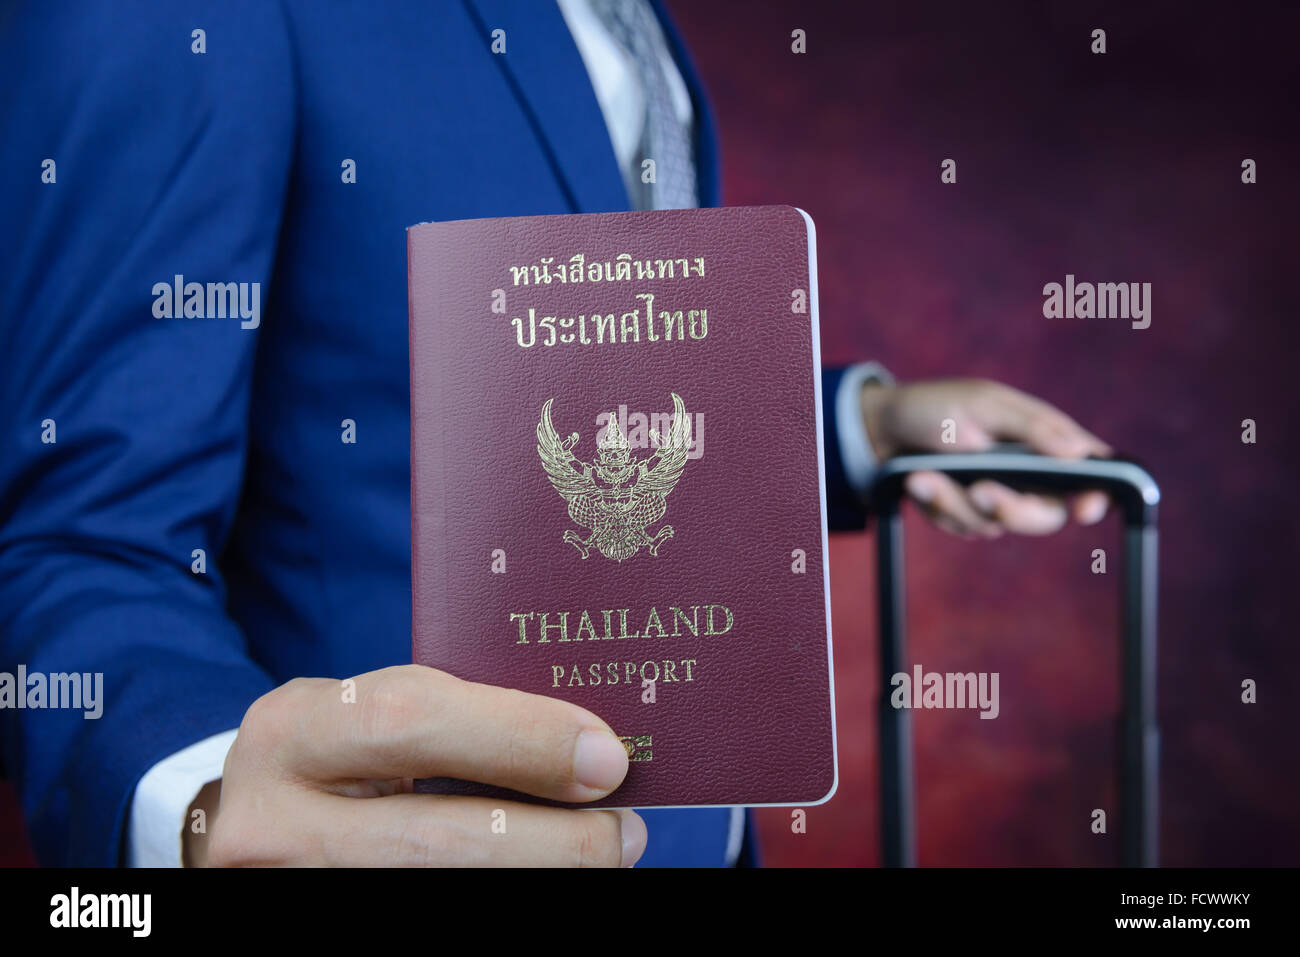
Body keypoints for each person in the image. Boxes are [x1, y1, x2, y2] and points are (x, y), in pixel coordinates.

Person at [0, 0, 1110, 867]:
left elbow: (570, 393)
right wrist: (198, 805)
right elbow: (80, 536)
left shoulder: (627, 20)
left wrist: (857, 427)